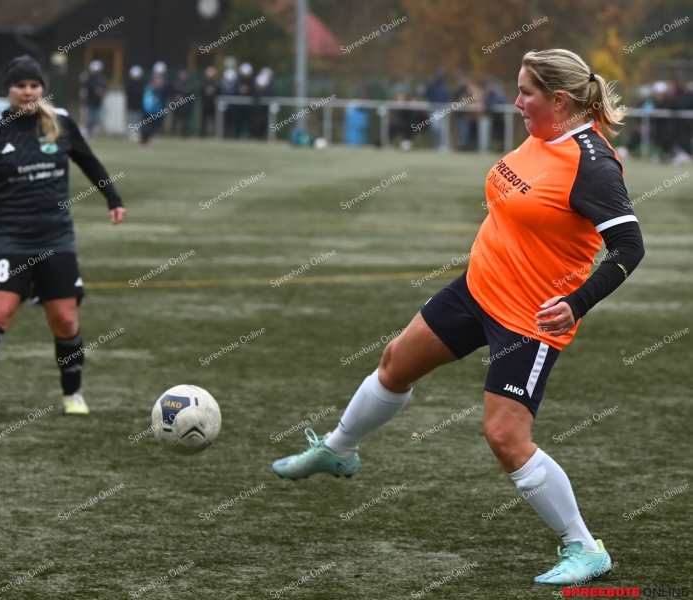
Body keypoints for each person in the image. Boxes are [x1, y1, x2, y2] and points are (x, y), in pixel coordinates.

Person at [272, 48, 645, 585]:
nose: (516, 102)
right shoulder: (541, 135)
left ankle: (586, 549)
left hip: (528, 319)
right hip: (477, 289)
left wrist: (577, 303)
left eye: (526, 93)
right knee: (395, 362)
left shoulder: (593, 165)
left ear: (559, 101)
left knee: (505, 436)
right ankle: (338, 450)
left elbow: (629, 247)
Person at [0, 55, 126, 419]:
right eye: (20, 86)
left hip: (56, 238)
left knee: (65, 321)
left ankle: (72, 394)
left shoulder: (59, 122)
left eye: (34, 85)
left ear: (42, 88)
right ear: (8, 90)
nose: (28, 92)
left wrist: (113, 198)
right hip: (10, 238)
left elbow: (89, 161)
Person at [425, 67, 449, 150]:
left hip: (443, 110)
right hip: (434, 109)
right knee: (435, 127)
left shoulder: (445, 86)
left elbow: (446, 98)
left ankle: (444, 145)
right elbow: (427, 95)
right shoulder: (431, 85)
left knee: (443, 129)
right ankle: (437, 145)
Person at [140, 71, 166, 146]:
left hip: (156, 111)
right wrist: (149, 110)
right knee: (147, 127)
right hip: (149, 111)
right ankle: (144, 141)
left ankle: (146, 140)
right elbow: (147, 101)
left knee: (154, 127)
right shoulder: (149, 89)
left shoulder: (159, 90)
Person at [83, 60, 107, 136]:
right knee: (91, 118)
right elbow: (88, 90)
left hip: (98, 102)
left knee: (98, 118)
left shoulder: (102, 78)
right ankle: (88, 131)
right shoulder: (89, 79)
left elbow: (104, 88)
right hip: (90, 101)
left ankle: (91, 130)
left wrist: (102, 91)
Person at [171, 69, 194, 138]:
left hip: (185, 106)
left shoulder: (189, 85)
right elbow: (172, 94)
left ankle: (184, 134)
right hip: (176, 106)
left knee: (185, 121)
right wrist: (175, 99)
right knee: (175, 120)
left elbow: (191, 96)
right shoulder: (175, 85)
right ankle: (172, 133)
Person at [200, 66, 219, 137]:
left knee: (215, 119)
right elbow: (200, 91)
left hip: (214, 104)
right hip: (205, 103)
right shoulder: (203, 82)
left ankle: (216, 134)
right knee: (203, 120)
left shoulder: (216, 82)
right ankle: (202, 134)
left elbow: (218, 91)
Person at [125, 65, 145, 136]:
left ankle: (137, 132)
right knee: (131, 119)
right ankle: (131, 132)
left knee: (138, 119)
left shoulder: (142, 84)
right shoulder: (129, 84)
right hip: (131, 105)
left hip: (139, 105)